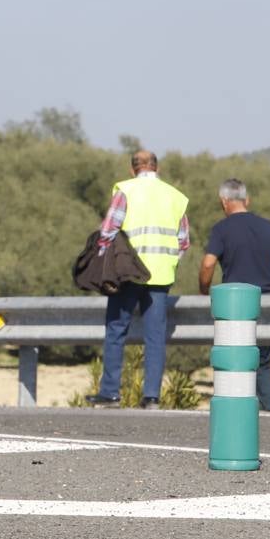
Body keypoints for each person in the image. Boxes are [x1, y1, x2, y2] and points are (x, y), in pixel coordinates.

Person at [84, 150, 190, 409]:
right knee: (155, 337)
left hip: (128, 274)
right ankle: (151, 397)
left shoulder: (125, 190)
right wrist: (169, 262)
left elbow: (108, 231)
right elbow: (183, 242)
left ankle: (110, 393)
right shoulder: (175, 196)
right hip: (161, 275)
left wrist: (101, 260)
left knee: (116, 330)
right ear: (157, 168)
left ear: (133, 169)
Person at [198, 178, 270, 412]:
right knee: (263, 362)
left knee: (236, 362)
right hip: (266, 301)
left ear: (224, 201)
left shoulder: (222, 229)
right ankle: (268, 410)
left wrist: (204, 291)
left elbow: (208, 264)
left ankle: (239, 412)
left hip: (235, 306)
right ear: (247, 200)